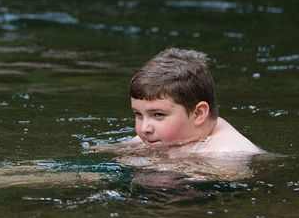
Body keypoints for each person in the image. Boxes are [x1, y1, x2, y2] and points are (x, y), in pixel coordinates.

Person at [94, 47, 263, 163]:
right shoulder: (166, 135)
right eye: (138, 114)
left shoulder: (229, 153)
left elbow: (228, 177)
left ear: (198, 114)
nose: (144, 128)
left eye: (158, 115)